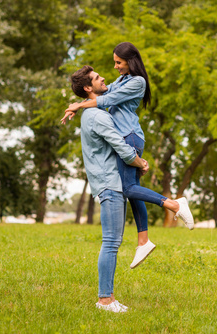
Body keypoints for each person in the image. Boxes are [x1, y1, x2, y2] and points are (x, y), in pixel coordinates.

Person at [62, 42, 194, 269]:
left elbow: (106, 100)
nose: (115, 67)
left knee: (127, 188)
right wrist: (79, 104)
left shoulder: (137, 82)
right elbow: (98, 93)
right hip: (125, 137)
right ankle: (143, 240)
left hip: (129, 137)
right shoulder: (121, 81)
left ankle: (174, 204)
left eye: (118, 62)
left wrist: (78, 105)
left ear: (130, 61)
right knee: (133, 191)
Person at [72, 65, 147, 312]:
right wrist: (140, 162)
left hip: (107, 182)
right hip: (110, 184)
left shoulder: (94, 112)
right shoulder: (99, 116)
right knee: (111, 242)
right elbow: (122, 148)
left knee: (111, 242)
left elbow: (114, 91)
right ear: (87, 87)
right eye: (96, 78)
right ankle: (105, 300)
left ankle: (107, 298)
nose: (103, 77)